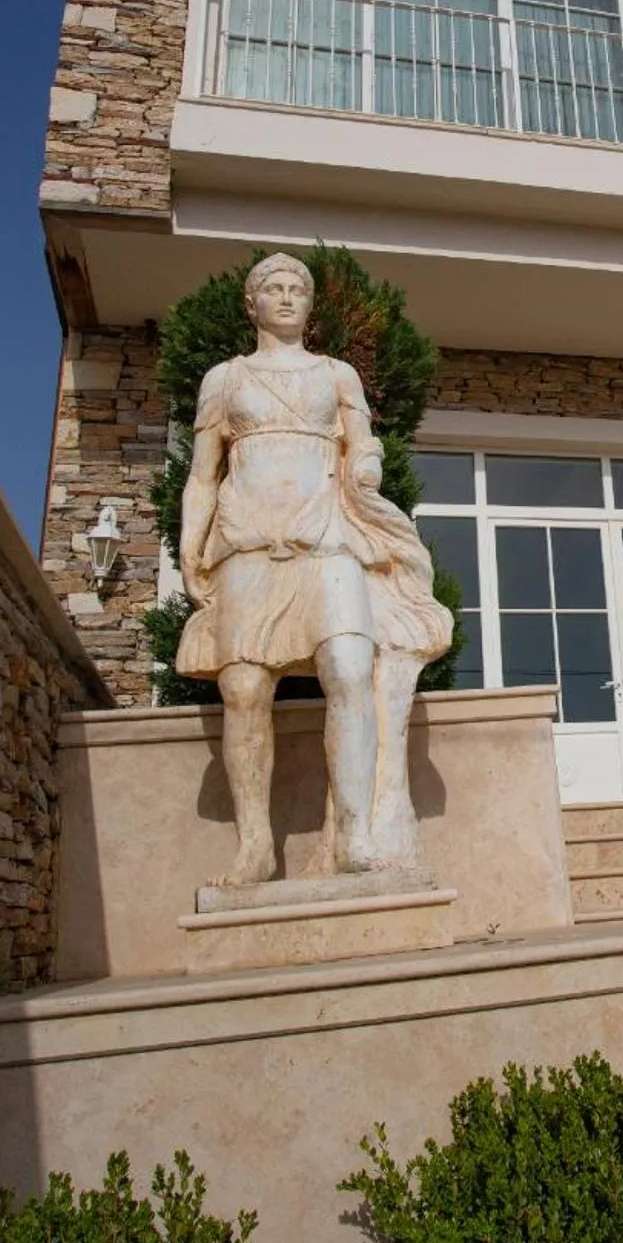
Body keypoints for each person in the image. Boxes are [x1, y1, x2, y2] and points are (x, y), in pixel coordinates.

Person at [176, 252, 451, 883]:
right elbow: (200, 476)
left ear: (309, 303)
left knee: (351, 672)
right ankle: (254, 847)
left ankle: (354, 837)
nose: (286, 296)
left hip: (327, 537)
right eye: (272, 288)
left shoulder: (337, 375)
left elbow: (365, 443)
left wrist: (368, 466)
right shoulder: (225, 379)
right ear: (252, 304)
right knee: (243, 690)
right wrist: (191, 550)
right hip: (248, 542)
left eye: (297, 288)